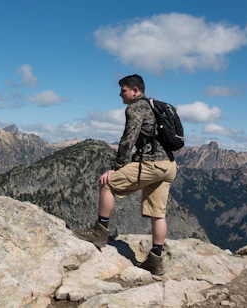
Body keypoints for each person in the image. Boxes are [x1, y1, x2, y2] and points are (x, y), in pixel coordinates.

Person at [72, 74, 177, 276]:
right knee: (158, 213)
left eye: (123, 90)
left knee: (107, 183)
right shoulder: (155, 108)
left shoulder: (135, 108)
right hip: (169, 166)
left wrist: (116, 166)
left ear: (135, 91)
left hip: (151, 163)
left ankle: (99, 232)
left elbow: (128, 138)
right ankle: (156, 260)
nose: (120, 94)